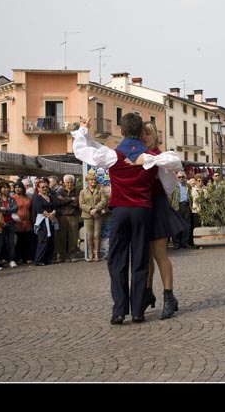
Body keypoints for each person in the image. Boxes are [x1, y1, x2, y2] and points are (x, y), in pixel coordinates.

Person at [72, 114, 159, 325]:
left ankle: (119, 310)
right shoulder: (151, 155)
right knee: (140, 259)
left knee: (117, 258)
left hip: (120, 209)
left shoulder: (113, 154)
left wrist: (82, 131)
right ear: (140, 132)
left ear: (121, 131)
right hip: (143, 210)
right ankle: (138, 310)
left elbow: (82, 151)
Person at [135, 121, 186, 320]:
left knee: (159, 254)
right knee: (145, 256)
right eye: (141, 134)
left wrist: (147, 159)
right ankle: (148, 292)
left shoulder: (159, 155)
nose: (144, 137)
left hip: (157, 206)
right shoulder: (138, 154)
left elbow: (173, 161)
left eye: (148, 133)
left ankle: (169, 296)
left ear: (155, 136)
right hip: (141, 207)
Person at [79, 170, 109, 261]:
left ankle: (96, 253)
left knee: (97, 234)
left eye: (94, 180)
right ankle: (90, 253)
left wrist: (96, 209)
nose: (93, 182)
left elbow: (104, 201)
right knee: (90, 235)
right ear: (87, 181)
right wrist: (90, 209)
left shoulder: (100, 191)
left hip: (98, 215)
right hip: (87, 215)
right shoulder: (83, 192)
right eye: (91, 180)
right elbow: (81, 203)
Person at [31, 178, 57, 266]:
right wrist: (49, 216)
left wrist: (53, 213)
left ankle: (48, 259)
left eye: (46, 187)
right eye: (42, 187)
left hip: (51, 220)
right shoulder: (37, 197)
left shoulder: (50, 197)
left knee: (51, 240)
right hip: (42, 221)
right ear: (38, 188)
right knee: (43, 239)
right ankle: (38, 259)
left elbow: (54, 207)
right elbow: (40, 209)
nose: (45, 189)